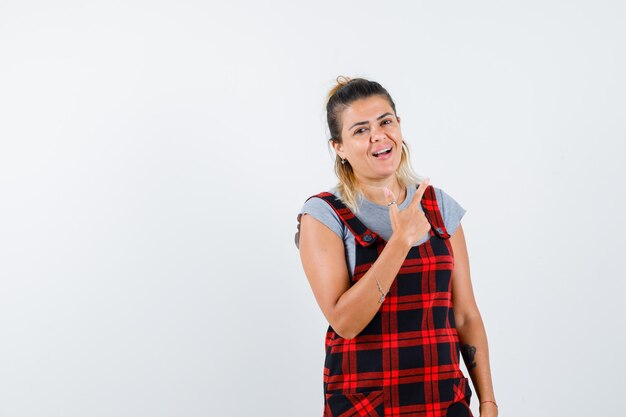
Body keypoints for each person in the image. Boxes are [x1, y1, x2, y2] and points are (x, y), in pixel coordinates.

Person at [295, 77, 498, 417]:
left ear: (399, 126)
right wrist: (400, 242)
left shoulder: (438, 206)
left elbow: (465, 315)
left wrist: (488, 402)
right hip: (365, 407)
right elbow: (345, 322)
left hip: (443, 401)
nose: (378, 135)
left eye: (385, 121)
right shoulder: (323, 215)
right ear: (339, 147)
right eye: (360, 130)